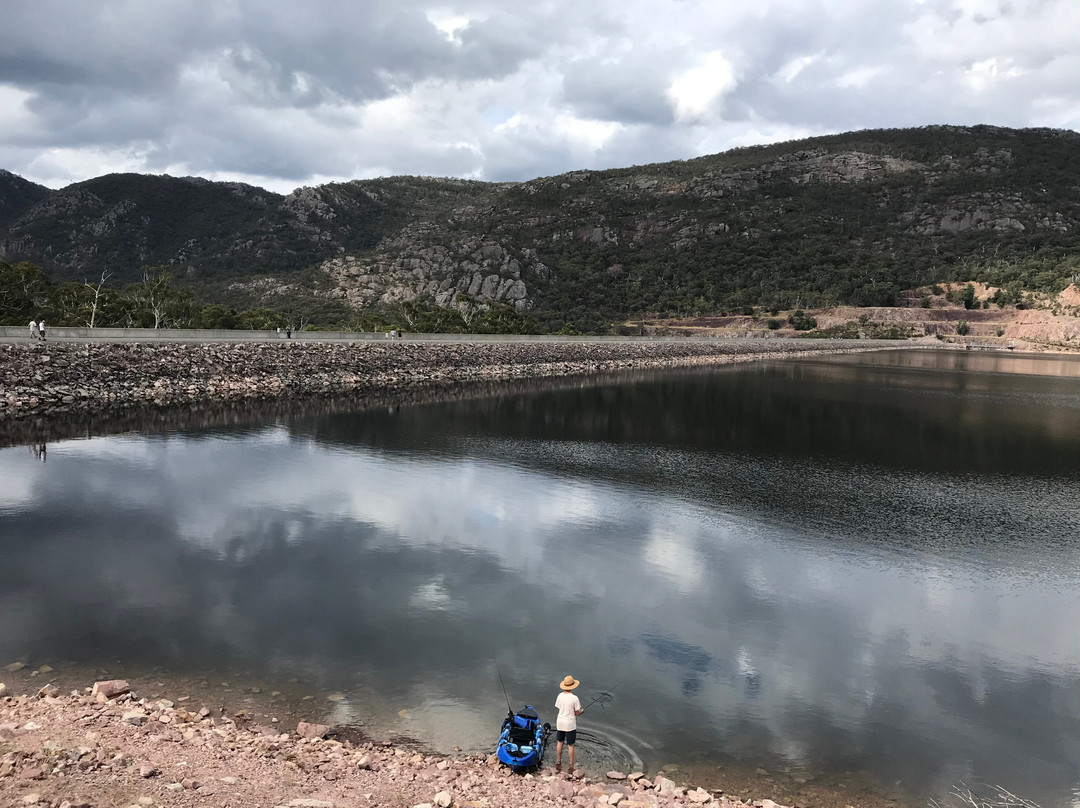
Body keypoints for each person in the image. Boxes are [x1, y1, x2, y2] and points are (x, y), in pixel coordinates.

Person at [554, 674, 583, 774]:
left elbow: (559, 708)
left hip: (560, 722)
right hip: (570, 724)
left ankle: (558, 761)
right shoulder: (574, 698)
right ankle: (571, 764)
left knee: (560, 742)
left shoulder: (559, 696)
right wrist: (581, 712)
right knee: (570, 745)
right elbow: (576, 712)